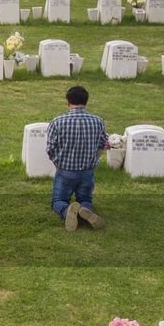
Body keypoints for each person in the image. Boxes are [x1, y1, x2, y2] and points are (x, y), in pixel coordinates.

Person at [46, 86, 108, 232]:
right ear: (86, 102)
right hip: (87, 171)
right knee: (85, 199)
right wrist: (94, 161)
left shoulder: (57, 122)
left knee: (58, 200)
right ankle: (84, 210)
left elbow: (50, 149)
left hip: (65, 170)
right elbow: (102, 144)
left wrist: (58, 164)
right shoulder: (98, 121)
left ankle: (66, 210)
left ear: (68, 102)